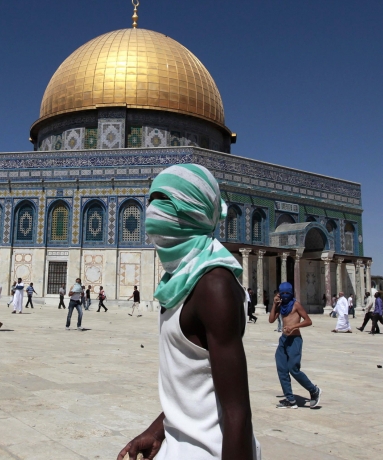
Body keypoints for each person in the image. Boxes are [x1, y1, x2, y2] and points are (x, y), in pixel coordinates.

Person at [119, 164, 259, 460]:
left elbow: (237, 412)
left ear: (195, 210)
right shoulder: (181, 279)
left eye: (164, 202)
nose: (153, 211)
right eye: (151, 201)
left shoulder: (214, 285)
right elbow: (195, 385)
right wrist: (157, 430)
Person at [269, 282, 322, 409]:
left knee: (293, 368)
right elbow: (271, 320)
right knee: (282, 368)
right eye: (282, 293)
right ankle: (290, 399)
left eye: (287, 293)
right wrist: (274, 304)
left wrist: (294, 326)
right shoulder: (281, 306)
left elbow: (308, 321)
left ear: (291, 293)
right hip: (284, 340)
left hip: (295, 340)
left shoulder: (296, 305)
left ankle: (314, 390)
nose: (285, 295)